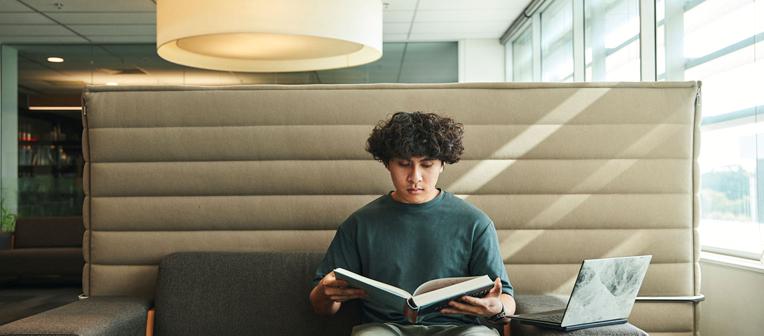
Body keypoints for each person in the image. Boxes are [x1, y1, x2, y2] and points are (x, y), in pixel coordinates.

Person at [309, 112, 515, 336]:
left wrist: (498, 307)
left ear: (442, 165)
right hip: (385, 329)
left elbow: (505, 298)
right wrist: (323, 293)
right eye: (404, 164)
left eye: (426, 165)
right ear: (388, 164)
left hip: (460, 329)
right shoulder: (359, 224)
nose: (415, 176)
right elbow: (321, 307)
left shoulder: (476, 223)